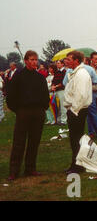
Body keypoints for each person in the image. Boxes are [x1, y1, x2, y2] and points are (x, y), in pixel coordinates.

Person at [6, 51, 50, 181]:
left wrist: (43, 108)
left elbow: (45, 96)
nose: (34, 62)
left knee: (34, 141)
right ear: (25, 61)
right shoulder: (18, 76)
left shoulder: (40, 77)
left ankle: (30, 168)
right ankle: (14, 171)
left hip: (38, 112)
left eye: (36, 60)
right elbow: (11, 96)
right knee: (19, 142)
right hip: (23, 112)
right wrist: (18, 110)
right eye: (31, 59)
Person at [64, 51, 93, 174]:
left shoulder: (81, 74)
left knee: (76, 139)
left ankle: (77, 166)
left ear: (76, 60)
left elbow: (80, 95)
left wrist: (74, 110)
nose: (66, 61)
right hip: (76, 109)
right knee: (75, 139)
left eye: (69, 59)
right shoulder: (76, 72)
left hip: (78, 110)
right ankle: (76, 164)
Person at [51, 60, 67, 125]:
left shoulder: (64, 71)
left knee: (63, 106)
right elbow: (53, 80)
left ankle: (64, 120)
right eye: (57, 63)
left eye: (58, 63)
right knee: (57, 106)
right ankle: (58, 120)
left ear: (62, 64)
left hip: (62, 90)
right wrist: (52, 86)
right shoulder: (57, 72)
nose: (57, 64)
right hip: (56, 91)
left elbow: (64, 82)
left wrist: (56, 86)